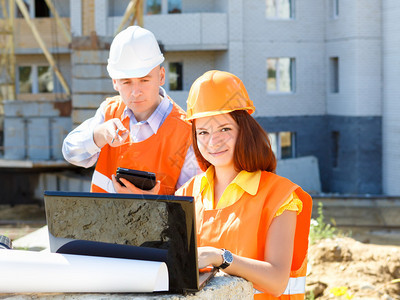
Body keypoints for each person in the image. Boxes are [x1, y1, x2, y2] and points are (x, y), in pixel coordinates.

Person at [176, 70, 312, 299]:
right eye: (203, 132)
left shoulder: (279, 196)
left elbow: (277, 281)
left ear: (244, 130)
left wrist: (221, 257)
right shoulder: (186, 193)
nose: (212, 141)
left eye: (224, 129)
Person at [62, 26, 199, 195]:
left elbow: (193, 206)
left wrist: (151, 205)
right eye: (126, 82)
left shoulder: (186, 132)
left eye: (144, 80)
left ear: (161, 76)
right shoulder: (109, 112)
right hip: (102, 221)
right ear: (115, 82)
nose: (136, 92)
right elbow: (70, 153)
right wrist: (99, 135)